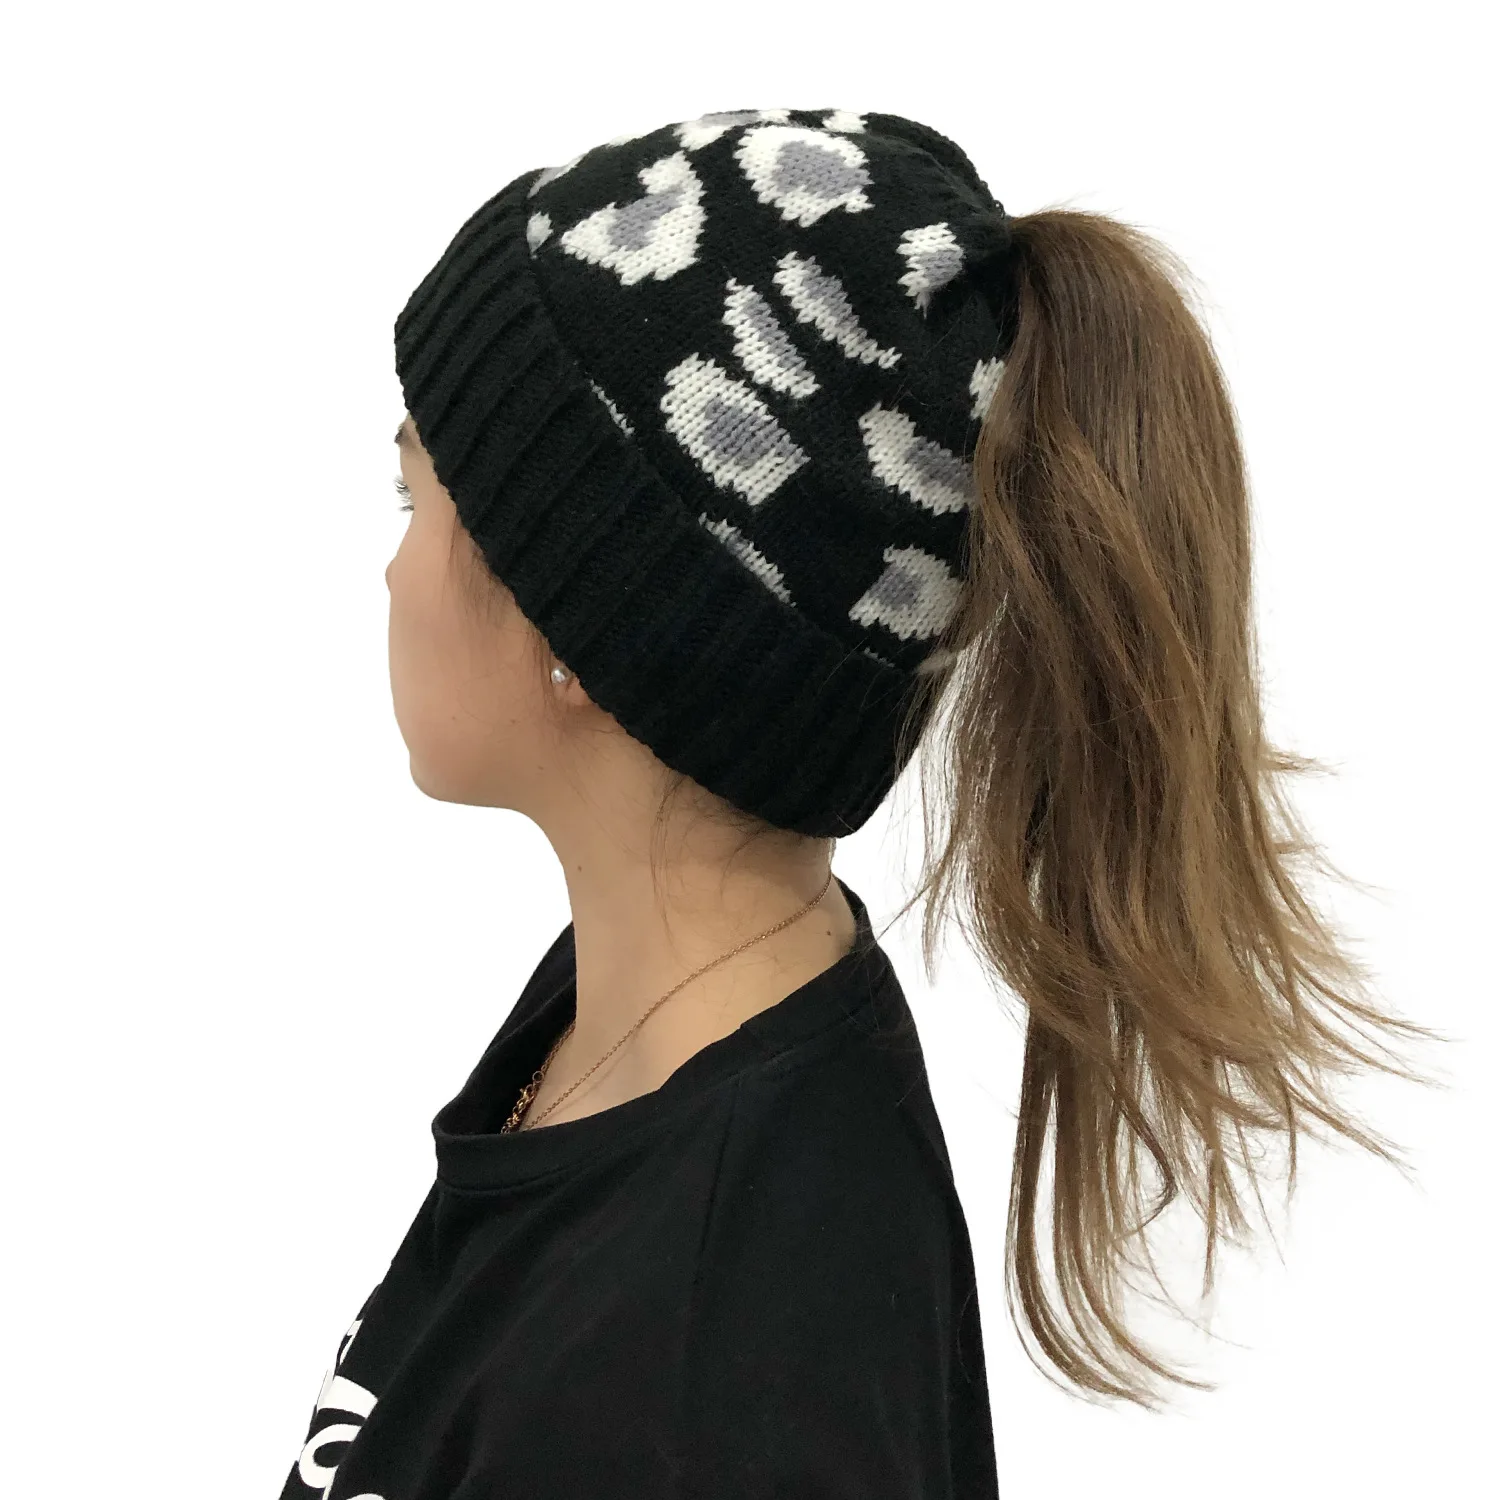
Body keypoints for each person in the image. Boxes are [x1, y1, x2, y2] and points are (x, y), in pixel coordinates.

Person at [278, 106, 1435, 1499]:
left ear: (578, 616)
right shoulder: (632, 1025)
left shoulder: (706, 1365)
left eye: (411, 496)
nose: (391, 572)